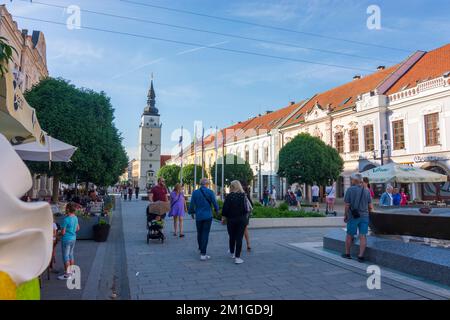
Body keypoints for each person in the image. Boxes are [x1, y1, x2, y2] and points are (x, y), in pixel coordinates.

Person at [342, 173, 373, 262]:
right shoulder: (367, 190)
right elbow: (370, 206)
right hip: (365, 216)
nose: (351, 181)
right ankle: (360, 256)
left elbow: (347, 205)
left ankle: (347, 254)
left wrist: (345, 215)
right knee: (363, 236)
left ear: (355, 181)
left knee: (349, 235)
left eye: (352, 179)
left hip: (353, 216)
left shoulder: (350, 190)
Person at [189, 178, 219, 261]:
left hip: (198, 216)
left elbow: (191, 205)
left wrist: (191, 212)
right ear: (207, 184)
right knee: (205, 233)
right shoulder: (210, 192)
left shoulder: (195, 192)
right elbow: (215, 203)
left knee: (199, 232)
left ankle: (200, 248)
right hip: (208, 216)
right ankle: (203, 253)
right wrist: (217, 210)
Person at [222, 180, 251, 264]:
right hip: (241, 219)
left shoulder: (229, 196)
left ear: (232, 187)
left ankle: (232, 252)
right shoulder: (243, 196)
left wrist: (224, 217)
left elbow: (225, 209)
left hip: (231, 219)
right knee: (239, 238)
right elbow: (247, 209)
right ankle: (237, 258)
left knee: (232, 236)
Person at [58, 202, 80, 280]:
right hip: (73, 238)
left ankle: (68, 274)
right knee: (71, 254)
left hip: (66, 239)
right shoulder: (75, 218)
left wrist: (59, 233)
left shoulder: (66, 219)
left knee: (66, 256)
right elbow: (78, 228)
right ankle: (72, 271)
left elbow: (63, 232)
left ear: (67, 209)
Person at [243, 185, 253, 251]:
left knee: (238, 230)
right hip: (247, 215)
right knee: (245, 229)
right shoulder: (248, 196)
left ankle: (237, 245)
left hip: (241, 215)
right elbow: (251, 206)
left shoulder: (241, 195)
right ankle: (248, 244)